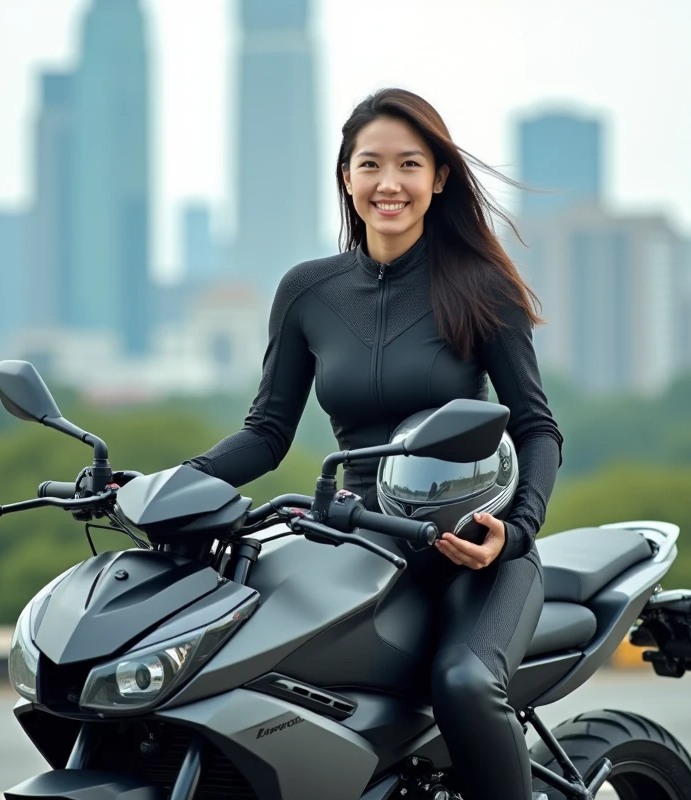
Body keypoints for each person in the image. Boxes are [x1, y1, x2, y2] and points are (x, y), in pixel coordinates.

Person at [185, 87, 563, 799]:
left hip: (469, 554)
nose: (389, 184)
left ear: (438, 178)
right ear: (347, 176)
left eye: (409, 165)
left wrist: (511, 533)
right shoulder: (308, 292)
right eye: (371, 165)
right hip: (355, 545)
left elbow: (536, 427)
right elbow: (266, 433)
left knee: (462, 682)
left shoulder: (482, 287)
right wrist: (171, 484)